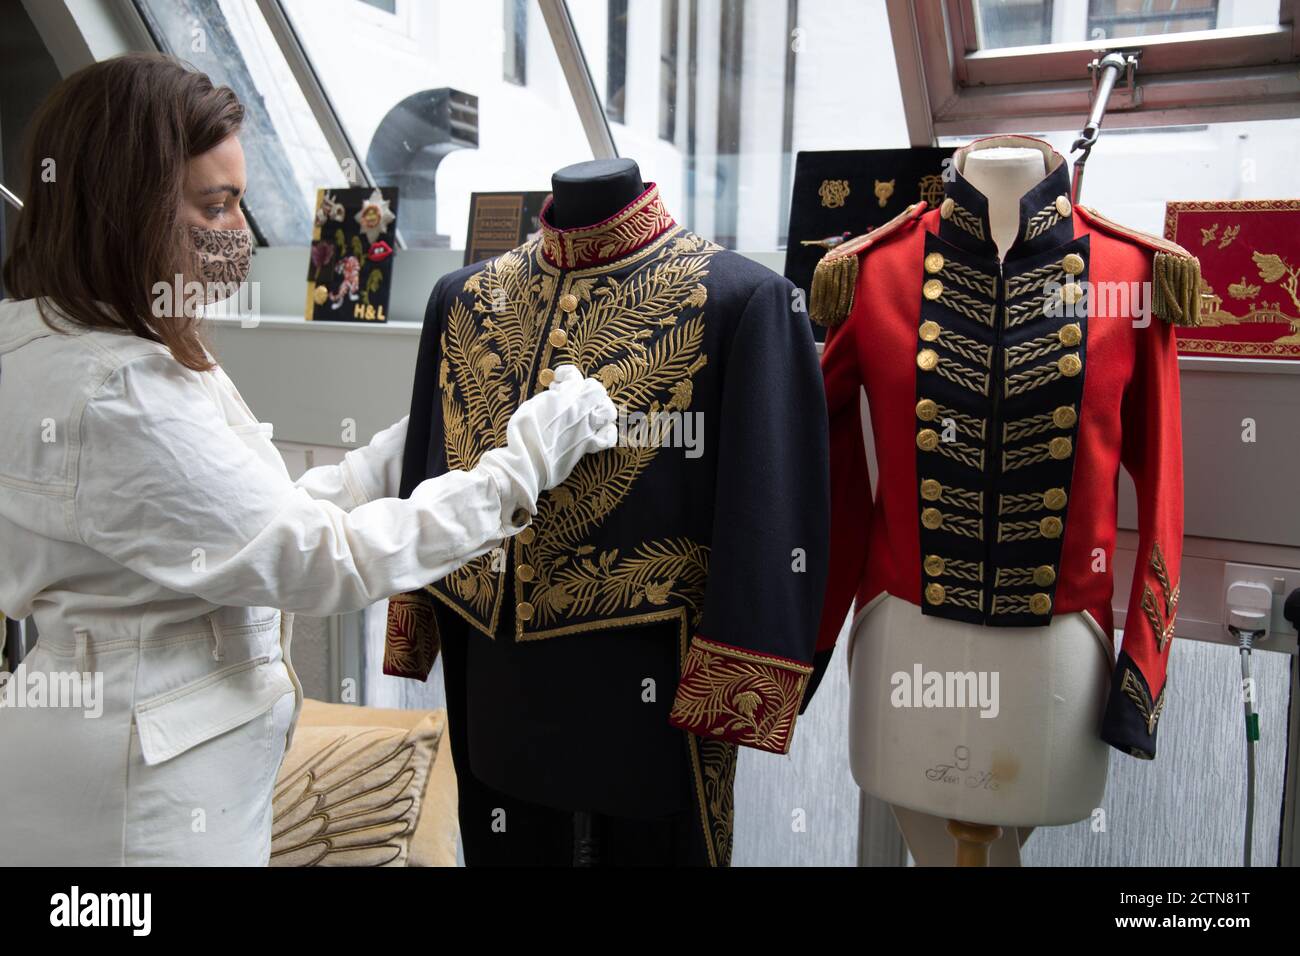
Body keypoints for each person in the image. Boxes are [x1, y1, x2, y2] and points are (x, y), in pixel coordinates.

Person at [0, 52, 617, 865]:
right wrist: (523, 464)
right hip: (138, 806)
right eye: (215, 207)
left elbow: (257, 513)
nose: (240, 235)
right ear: (125, 209)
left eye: (242, 204)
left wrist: (424, 437)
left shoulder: (56, 339)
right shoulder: (120, 393)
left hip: (122, 762)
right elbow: (324, 562)